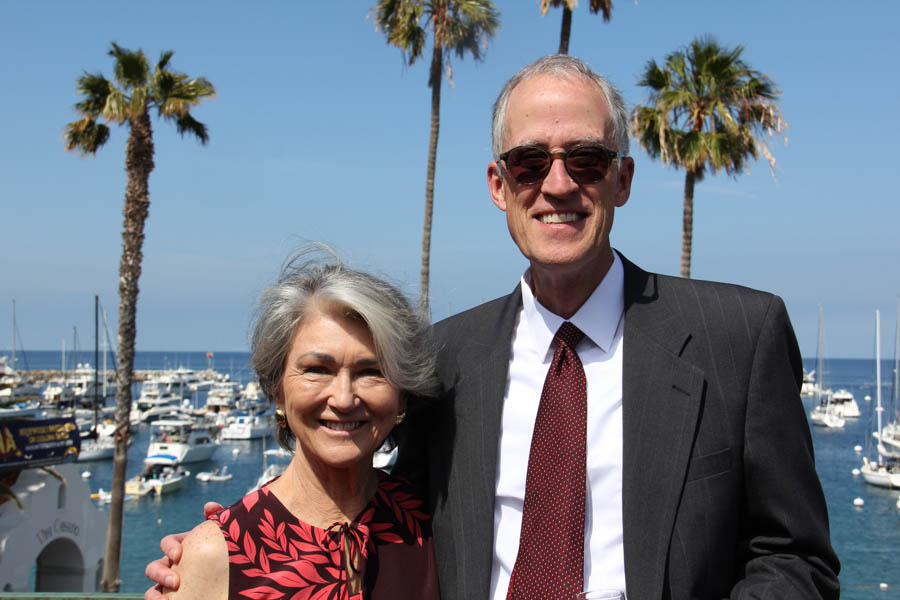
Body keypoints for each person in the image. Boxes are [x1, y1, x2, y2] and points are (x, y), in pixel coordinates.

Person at [147, 55, 840, 599]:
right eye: (530, 162)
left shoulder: (738, 336)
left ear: (623, 179)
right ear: (498, 185)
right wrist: (222, 549)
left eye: (586, 160)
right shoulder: (444, 360)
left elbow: (794, 557)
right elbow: (373, 505)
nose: (559, 184)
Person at [156, 249, 440, 600]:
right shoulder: (217, 555)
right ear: (277, 391)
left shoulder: (431, 528)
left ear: (402, 396)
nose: (344, 398)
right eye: (318, 370)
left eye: (372, 372)